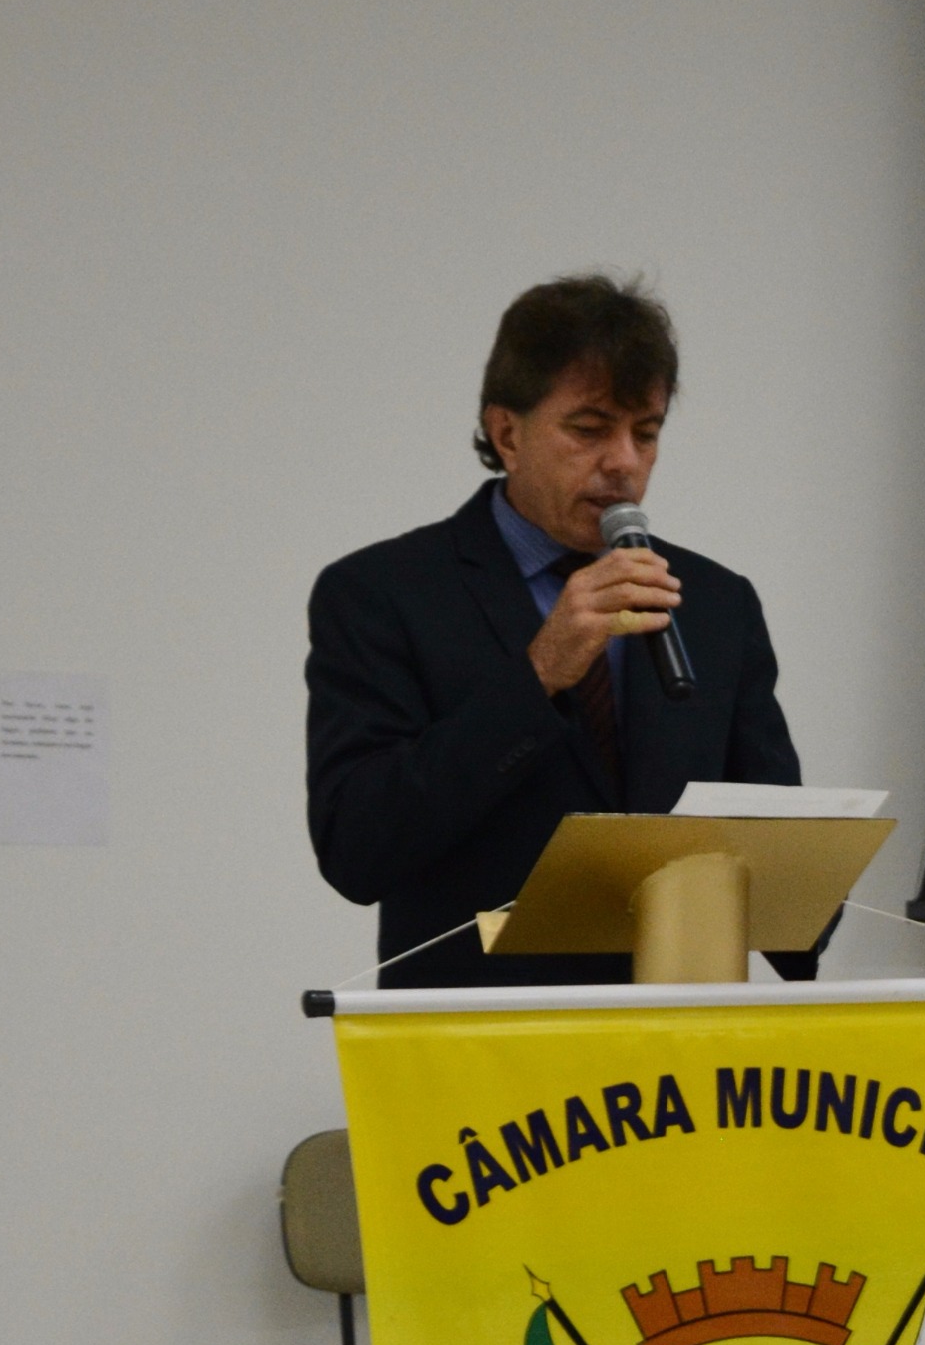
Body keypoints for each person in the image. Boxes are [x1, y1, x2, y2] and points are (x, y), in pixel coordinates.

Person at [305, 275, 811, 985]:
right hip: (482, 1035)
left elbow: (783, 866)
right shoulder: (382, 594)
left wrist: (808, 895)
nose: (624, 461)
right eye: (590, 428)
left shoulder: (716, 604)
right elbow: (357, 849)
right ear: (508, 434)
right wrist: (537, 674)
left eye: (646, 433)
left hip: (681, 1034)